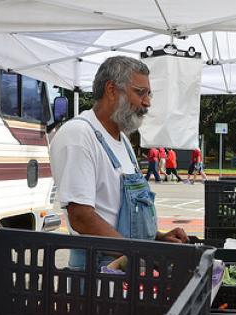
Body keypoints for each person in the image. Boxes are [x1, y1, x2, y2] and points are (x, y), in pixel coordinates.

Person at [50, 56, 188, 270]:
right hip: (100, 272)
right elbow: (81, 217)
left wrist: (158, 239)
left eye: (148, 93)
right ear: (112, 90)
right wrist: (140, 254)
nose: (147, 102)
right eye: (139, 92)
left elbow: (112, 213)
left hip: (128, 265)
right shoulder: (79, 135)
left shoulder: (121, 139)